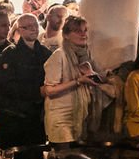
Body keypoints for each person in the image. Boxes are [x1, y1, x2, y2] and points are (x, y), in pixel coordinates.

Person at [43, 16, 116, 145]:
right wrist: (78, 81)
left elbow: (99, 77)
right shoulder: (59, 55)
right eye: (77, 31)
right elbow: (49, 90)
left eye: (85, 30)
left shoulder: (86, 56)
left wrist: (108, 76)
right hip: (62, 116)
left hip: (82, 115)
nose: (83, 34)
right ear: (66, 35)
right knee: (65, 157)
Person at [0, 12, 51, 156]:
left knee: (35, 156)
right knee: (15, 158)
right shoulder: (10, 54)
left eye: (35, 25)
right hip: (15, 115)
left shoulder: (45, 53)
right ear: (20, 30)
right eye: (28, 27)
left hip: (37, 115)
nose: (33, 29)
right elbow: (7, 85)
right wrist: (36, 91)